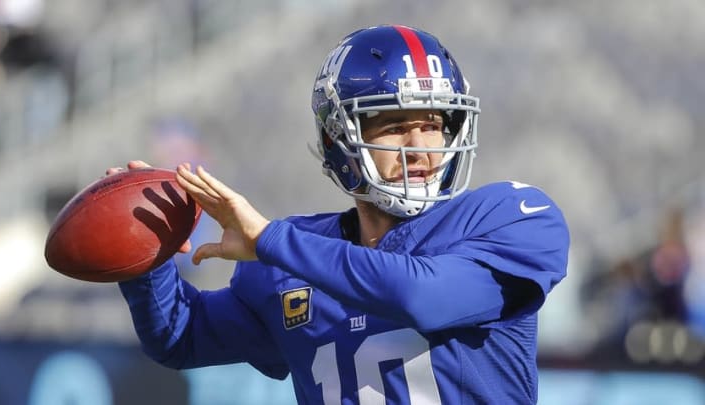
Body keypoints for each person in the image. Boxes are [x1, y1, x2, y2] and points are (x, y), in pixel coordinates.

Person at [113, 25, 569, 404]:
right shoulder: (290, 256)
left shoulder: (511, 216)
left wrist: (274, 241)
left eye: (432, 125)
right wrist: (145, 247)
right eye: (394, 127)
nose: (420, 147)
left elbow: (422, 296)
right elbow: (182, 336)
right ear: (339, 141)